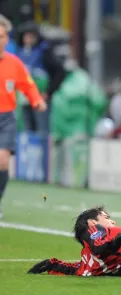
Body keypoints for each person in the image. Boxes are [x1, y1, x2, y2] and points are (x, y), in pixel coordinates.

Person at [0, 15, 47, 218]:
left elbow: (28, 85)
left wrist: (37, 100)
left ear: (7, 38)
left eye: (2, 36)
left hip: (6, 118)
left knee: (2, 161)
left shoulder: (14, 63)